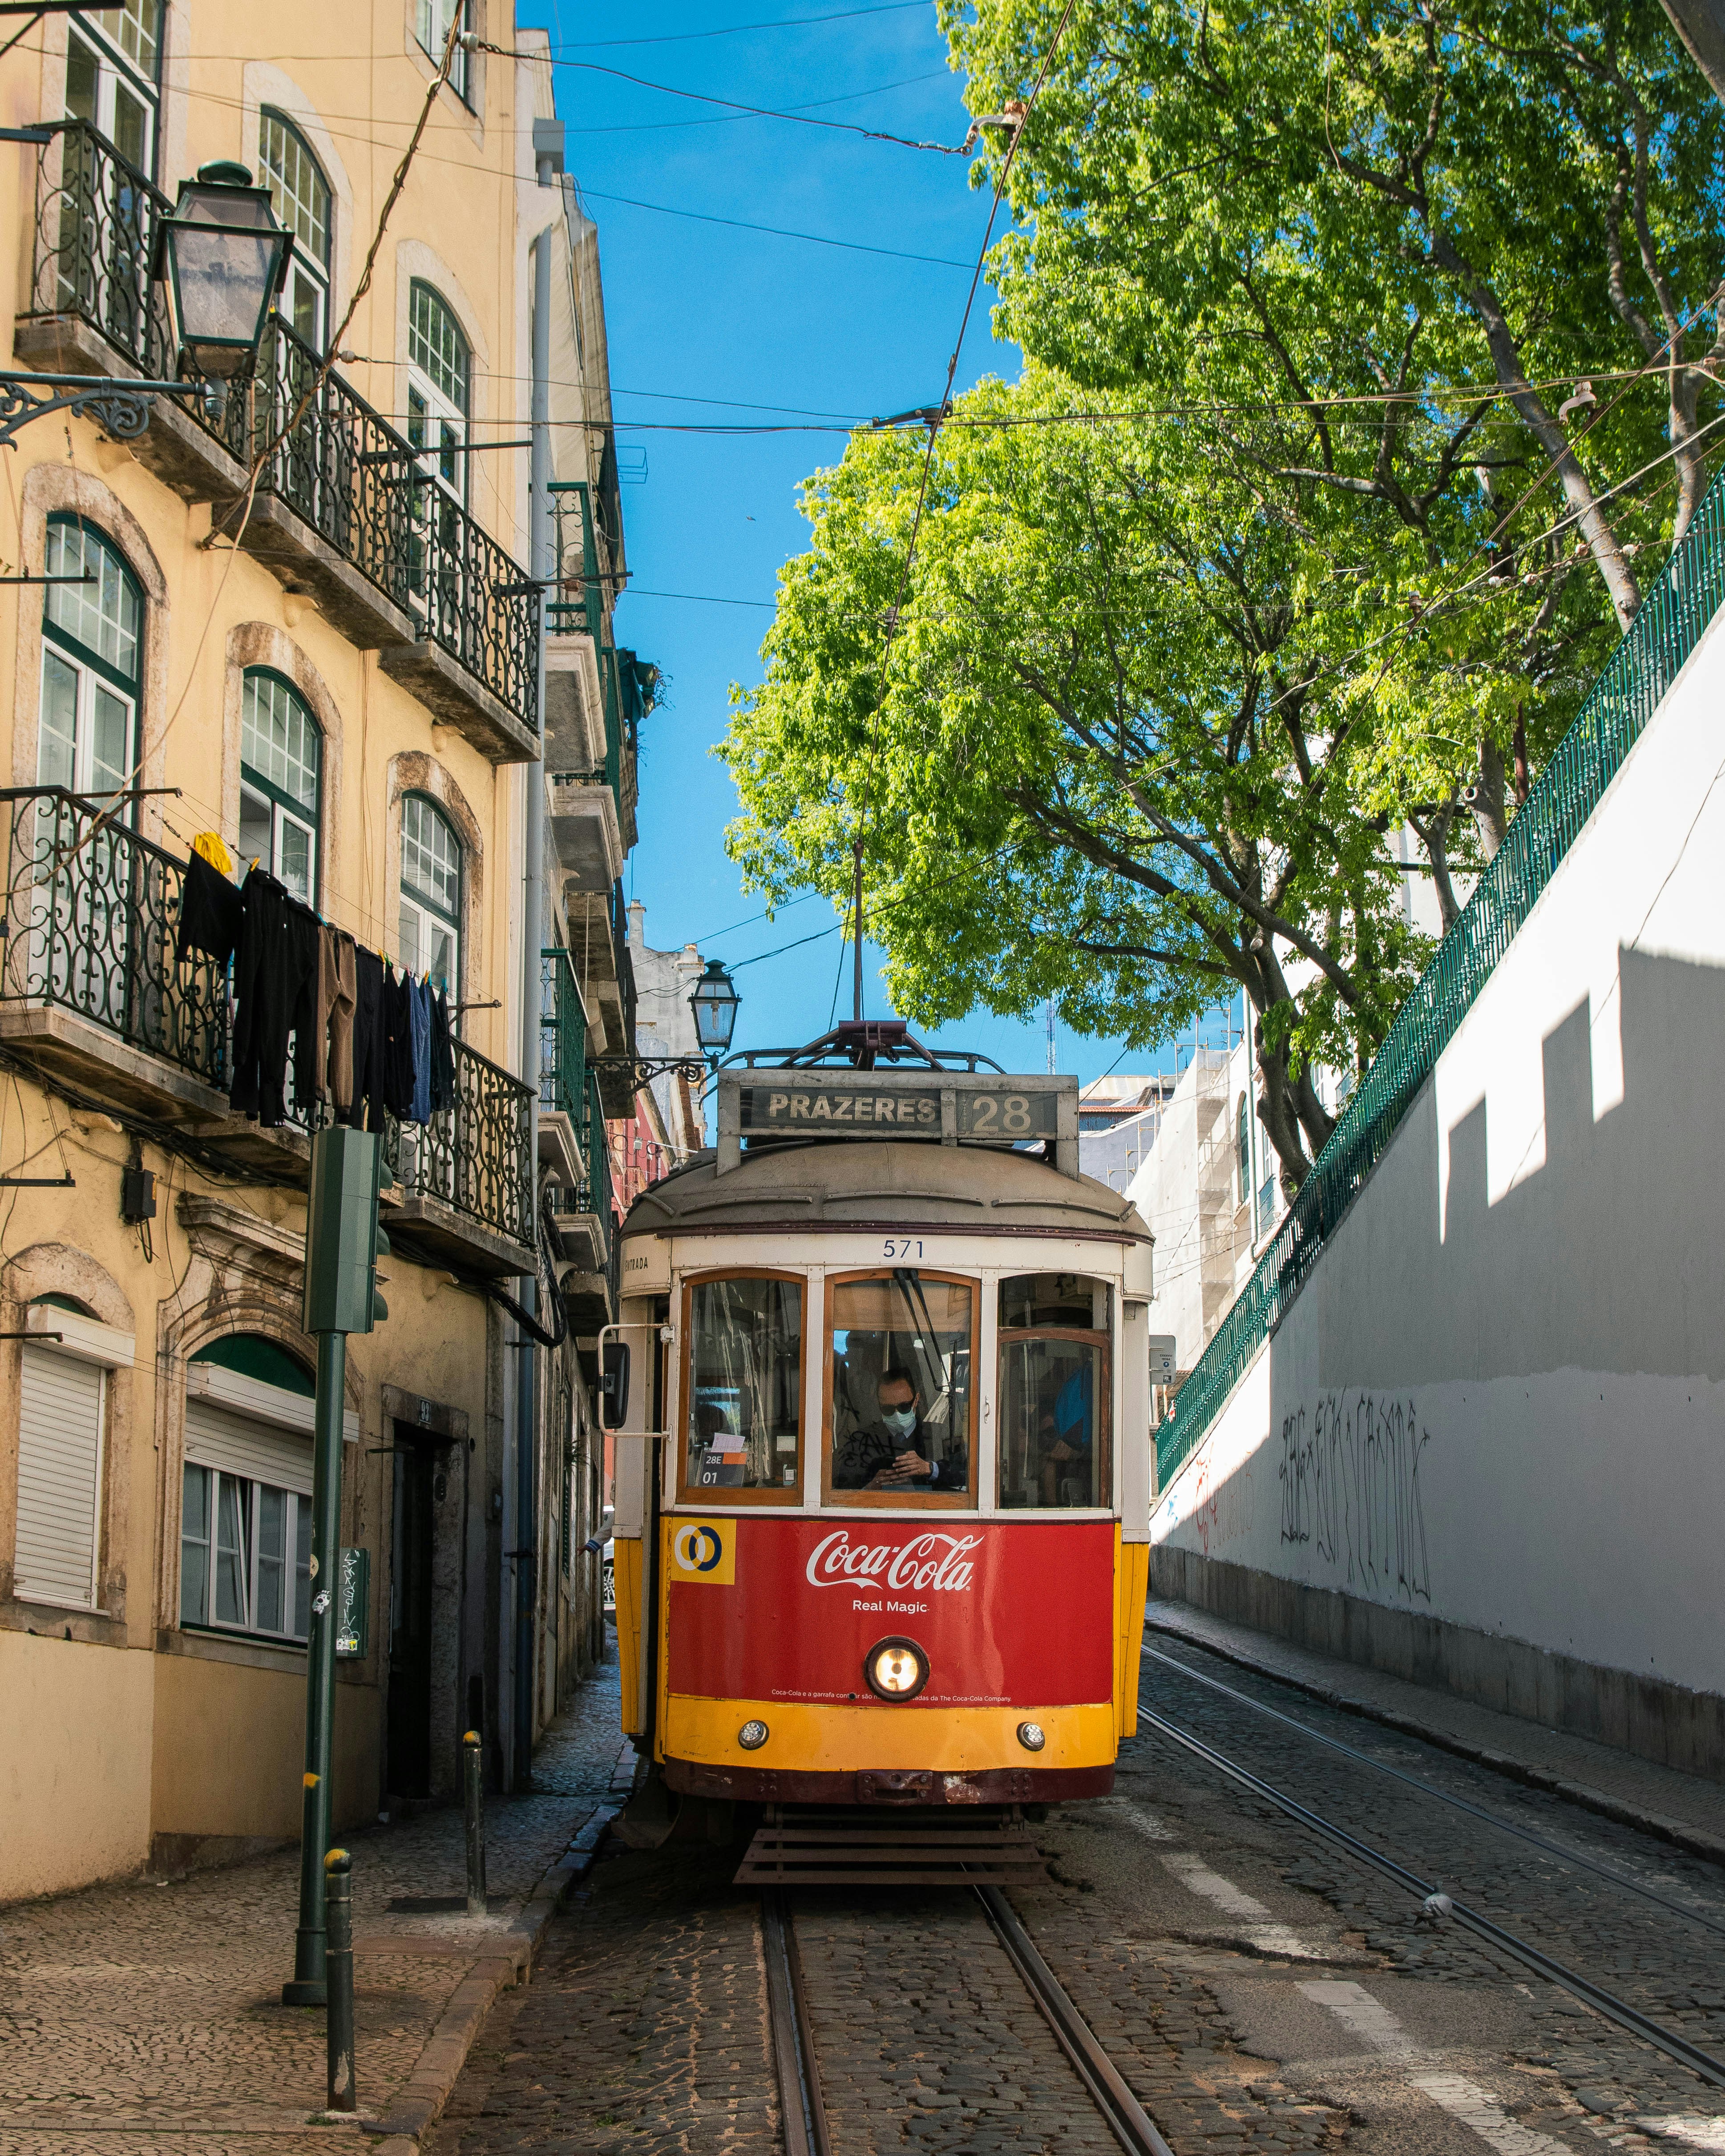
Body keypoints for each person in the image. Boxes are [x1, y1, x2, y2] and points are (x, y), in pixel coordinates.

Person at [832, 1365, 966, 1491]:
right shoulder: (860, 1441)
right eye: (888, 1409)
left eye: (904, 1407)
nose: (897, 1414)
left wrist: (929, 1468)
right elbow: (840, 1490)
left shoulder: (941, 1435)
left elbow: (966, 1476)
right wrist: (870, 1488)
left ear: (916, 1400)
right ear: (879, 1404)